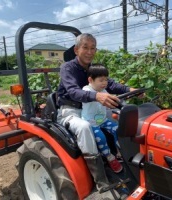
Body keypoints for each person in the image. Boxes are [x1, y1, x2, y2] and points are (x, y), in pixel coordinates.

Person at [57, 33, 137, 199]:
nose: (89, 51)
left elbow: (110, 84)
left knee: (121, 116)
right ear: (76, 49)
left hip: (93, 109)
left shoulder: (94, 68)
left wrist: (129, 90)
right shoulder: (68, 68)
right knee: (85, 128)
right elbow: (73, 91)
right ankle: (101, 180)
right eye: (85, 47)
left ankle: (126, 158)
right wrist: (96, 96)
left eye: (93, 48)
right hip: (71, 109)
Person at [81, 64, 123, 173]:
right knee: (101, 138)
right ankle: (110, 157)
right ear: (90, 80)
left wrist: (121, 101)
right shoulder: (86, 89)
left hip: (103, 120)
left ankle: (121, 151)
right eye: (101, 80)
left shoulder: (104, 91)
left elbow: (112, 100)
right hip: (91, 122)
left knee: (118, 130)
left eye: (106, 80)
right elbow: (88, 95)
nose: (104, 83)